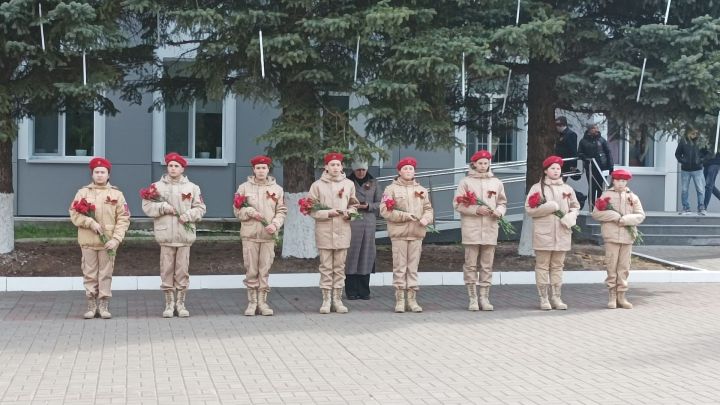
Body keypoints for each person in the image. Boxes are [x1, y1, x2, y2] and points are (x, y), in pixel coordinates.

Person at [141, 152, 207, 318]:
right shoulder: (156, 187)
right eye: (170, 165)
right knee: (167, 270)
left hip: (184, 236)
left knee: (182, 270)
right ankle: (169, 304)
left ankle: (181, 303)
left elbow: (201, 208)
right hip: (166, 236)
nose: (173, 168)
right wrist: (162, 207)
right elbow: (147, 207)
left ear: (182, 168)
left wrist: (189, 215)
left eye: (176, 166)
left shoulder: (192, 187)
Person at [69, 157, 130, 319]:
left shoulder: (117, 194)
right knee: (89, 273)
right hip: (88, 241)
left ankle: (103, 305)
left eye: (103, 172)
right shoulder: (82, 193)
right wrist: (89, 221)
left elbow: (124, 219)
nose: (100, 175)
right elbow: (74, 214)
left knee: (105, 273)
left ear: (108, 175)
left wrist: (116, 239)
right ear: (92, 174)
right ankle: (91, 304)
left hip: (108, 243)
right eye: (96, 172)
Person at [453, 150, 507, 311]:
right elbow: (457, 204)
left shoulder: (496, 182)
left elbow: (502, 202)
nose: (483, 166)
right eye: (480, 163)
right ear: (474, 164)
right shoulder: (466, 182)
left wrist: (500, 211)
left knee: (487, 265)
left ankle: (484, 297)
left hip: (490, 228)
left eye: (486, 163)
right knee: (470, 264)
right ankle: (472, 298)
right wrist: (476, 209)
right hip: (471, 229)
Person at [524, 156, 580, 311]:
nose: (556, 171)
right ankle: (543, 298)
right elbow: (529, 209)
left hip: (562, 233)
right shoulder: (537, 188)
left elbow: (575, 206)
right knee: (542, 266)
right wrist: (550, 207)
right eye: (553, 168)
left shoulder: (567, 189)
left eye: (558, 168)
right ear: (546, 171)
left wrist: (571, 215)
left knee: (558, 266)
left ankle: (556, 297)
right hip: (544, 233)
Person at [234, 155, 287, 316]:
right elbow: (237, 210)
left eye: (264, 168)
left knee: (264, 269)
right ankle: (252, 303)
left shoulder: (277, 189)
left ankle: (263, 303)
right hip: (250, 235)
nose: (261, 171)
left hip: (268, 236)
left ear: (268, 170)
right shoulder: (244, 188)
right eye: (258, 168)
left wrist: (275, 224)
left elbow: (282, 211)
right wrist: (249, 211)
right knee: (251, 269)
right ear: (253, 170)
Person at [380, 157, 434, 313]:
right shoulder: (390, 189)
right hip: (400, 234)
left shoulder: (422, 190)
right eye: (405, 168)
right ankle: (400, 300)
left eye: (411, 168)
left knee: (413, 268)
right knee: (399, 267)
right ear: (399, 171)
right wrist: (405, 216)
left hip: (417, 233)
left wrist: (426, 219)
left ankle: (412, 300)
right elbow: (385, 211)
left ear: (414, 171)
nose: (408, 171)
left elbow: (429, 209)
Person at [307, 152, 359, 314]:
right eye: (332, 165)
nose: (335, 168)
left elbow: (354, 205)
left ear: (342, 167)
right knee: (326, 266)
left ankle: (337, 299)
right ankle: (326, 299)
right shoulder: (317, 185)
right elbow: (310, 208)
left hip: (343, 230)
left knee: (339, 267)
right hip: (324, 231)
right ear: (326, 167)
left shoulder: (349, 184)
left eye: (338, 165)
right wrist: (327, 213)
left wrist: (350, 213)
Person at [591, 169, 645, 309]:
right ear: (613, 181)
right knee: (611, 266)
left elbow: (640, 215)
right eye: (618, 180)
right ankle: (612, 296)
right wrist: (613, 216)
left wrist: (625, 220)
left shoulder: (633, 197)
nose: (621, 183)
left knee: (624, 267)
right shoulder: (606, 195)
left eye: (623, 181)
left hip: (627, 237)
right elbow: (596, 214)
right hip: (611, 236)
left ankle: (622, 296)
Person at [345, 160, 382, 300]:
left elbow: (381, 203)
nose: (361, 172)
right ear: (353, 170)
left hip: (368, 224)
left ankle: (364, 290)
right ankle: (351, 290)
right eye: (358, 170)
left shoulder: (374, 183)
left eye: (363, 170)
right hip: (351, 223)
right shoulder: (347, 182)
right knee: (351, 256)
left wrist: (368, 206)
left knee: (366, 256)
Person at [578, 124, 613, 205]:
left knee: (601, 187)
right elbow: (579, 153)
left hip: (602, 167)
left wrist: (611, 166)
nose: (596, 130)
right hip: (591, 168)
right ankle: (592, 206)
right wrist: (586, 158)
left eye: (597, 128)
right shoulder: (583, 141)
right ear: (589, 130)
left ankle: (600, 206)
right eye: (594, 128)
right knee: (592, 187)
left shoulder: (602, 140)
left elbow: (608, 153)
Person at [675, 127, 707, 215]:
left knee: (700, 189)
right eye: (693, 133)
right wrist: (683, 161)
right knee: (684, 190)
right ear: (688, 133)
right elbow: (677, 154)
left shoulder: (700, 141)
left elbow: (706, 153)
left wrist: (700, 160)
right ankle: (686, 208)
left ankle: (701, 207)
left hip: (697, 169)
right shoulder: (683, 142)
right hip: (685, 170)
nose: (695, 135)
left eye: (696, 133)